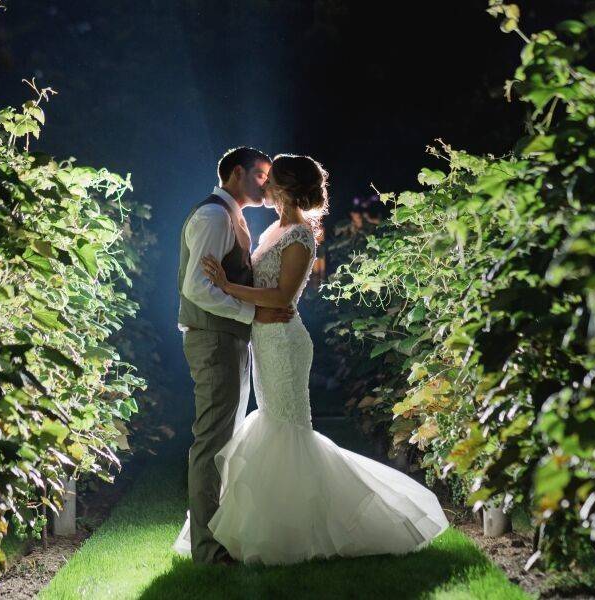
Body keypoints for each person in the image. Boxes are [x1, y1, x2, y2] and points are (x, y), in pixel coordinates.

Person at [173, 154, 449, 565]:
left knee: (288, 429)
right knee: (262, 427)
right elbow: (222, 287)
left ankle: (304, 528)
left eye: (269, 180)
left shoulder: (300, 235)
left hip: (282, 338)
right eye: (260, 177)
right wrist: (241, 300)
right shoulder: (264, 228)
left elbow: (282, 298)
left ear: (284, 187)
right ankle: (232, 536)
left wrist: (230, 286)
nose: (263, 187)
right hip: (261, 336)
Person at [175, 146, 294, 565]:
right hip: (213, 339)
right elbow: (197, 287)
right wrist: (253, 311)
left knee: (221, 440)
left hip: (226, 338)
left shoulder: (231, 215)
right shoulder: (213, 216)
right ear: (238, 173)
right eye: (262, 175)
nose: (267, 182)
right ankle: (207, 551)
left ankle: (216, 537)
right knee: (211, 442)